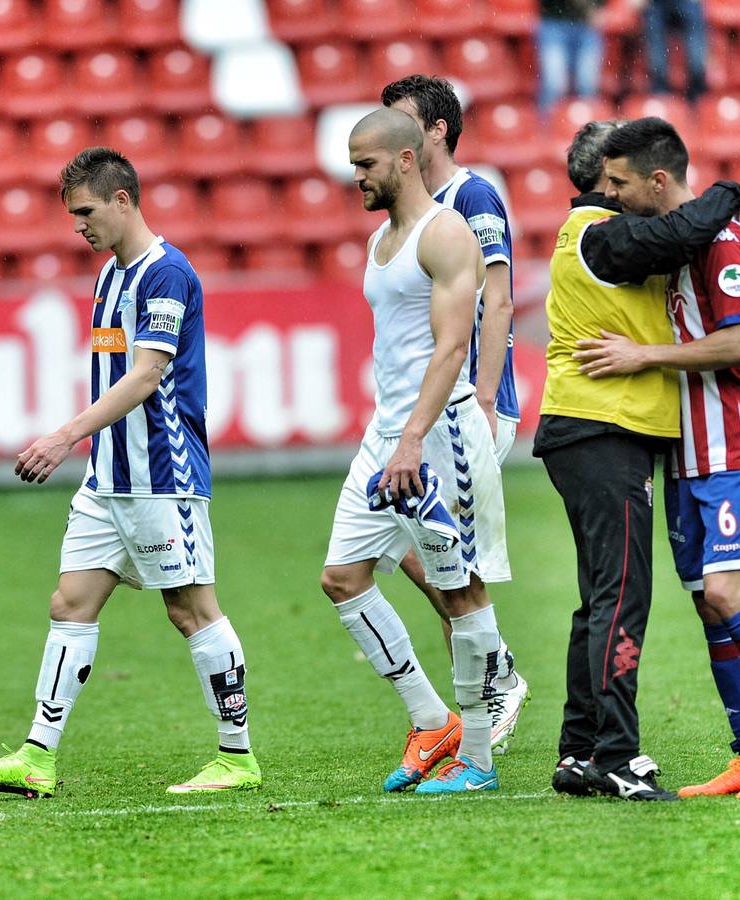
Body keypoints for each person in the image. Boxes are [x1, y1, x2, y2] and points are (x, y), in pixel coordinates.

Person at [0, 148, 261, 798]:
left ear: (123, 200)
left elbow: (147, 375)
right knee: (70, 603)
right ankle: (37, 755)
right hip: (108, 478)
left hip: (161, 476)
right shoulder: (107, 278)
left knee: (191, 610)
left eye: (86, 212)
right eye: (72, 215)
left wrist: (64, 434)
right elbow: (117, 368)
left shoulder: (166, 275)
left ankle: (237, 756)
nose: (78, 226)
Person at [575, 117, 740, 799]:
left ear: (657, 179)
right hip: (687, 452)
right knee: (709, 603)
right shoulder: (681, 239)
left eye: (618, 182)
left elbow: (738, 345)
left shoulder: (725, 242)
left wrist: (641, 356)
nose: (609, 195)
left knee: (731, 595)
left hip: (736, 439)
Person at [537, 120, 740, 800]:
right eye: (623, 175)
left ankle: (579, 751)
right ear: (608, 178)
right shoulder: (601, 233)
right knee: (623, 596)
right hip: (605, 428)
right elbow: (683, 231)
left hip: (592, 429)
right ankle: (617, 756)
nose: (629, 186)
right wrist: (730, 191)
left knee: (601, 598)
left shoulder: (596, 235)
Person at [320, 107, 511, 794]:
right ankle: (432, 719)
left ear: (404, 159)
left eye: (365, 164)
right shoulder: (383, 239)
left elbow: (451, 345)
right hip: (388, 435)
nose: (357, 177)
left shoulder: (446, 233)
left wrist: (410, 439)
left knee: (461, 592)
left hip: (436, 437)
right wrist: (390, 435)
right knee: (342, 578)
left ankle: (480, 759)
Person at [380, 74, 530, 753]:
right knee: (422, 552)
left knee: (436, 552)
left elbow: (497, 302)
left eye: (402, 120)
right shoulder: (410, 209)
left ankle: (491, 681)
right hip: (425, 411)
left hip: (467, 406)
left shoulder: (472, 197)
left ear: (436, 129)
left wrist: (490, 401)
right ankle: (485, 681)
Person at [537, 0, 606, 115]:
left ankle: (589, 129)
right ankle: (547, 129)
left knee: (587, 84)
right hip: (553, 22)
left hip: (586, 24)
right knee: (553, 85)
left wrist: (597, 7)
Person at [633, 0, 708, 103]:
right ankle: (660, 90)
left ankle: (698, 87)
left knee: (697, 66)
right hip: (656, 4)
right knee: (652, 20)